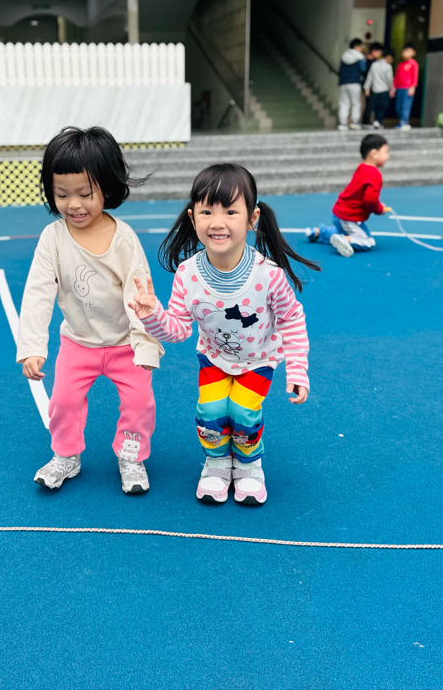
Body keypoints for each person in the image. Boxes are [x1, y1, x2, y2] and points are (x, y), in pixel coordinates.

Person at [128, 164, 319, 506]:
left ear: (252, 218)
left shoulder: (268, 275)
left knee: (243, 411)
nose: (217, 222)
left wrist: (297, 370)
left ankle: (248, 464)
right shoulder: (187, 274)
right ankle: (216, 462)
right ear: (192, 218)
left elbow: (292, 320)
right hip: (214, 358)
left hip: (258, 360)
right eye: (207, 212)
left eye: (231, 211)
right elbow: (178, 330)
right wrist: (152, 315)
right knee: (210, 411)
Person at [17, 126, 163, 494]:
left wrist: (146, 347)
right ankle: (66, 455)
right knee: (63, 402)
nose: (74, 204)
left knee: (139, 403)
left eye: (85, 193)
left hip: (125, 344)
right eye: (62, 194)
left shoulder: (123, 239)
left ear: (107, 188)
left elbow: (140, 296)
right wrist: (32, 347)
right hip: (78, 343)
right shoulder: (52, 238)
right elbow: (38, 292)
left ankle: (131, 456)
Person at [305, 133, 393, 257]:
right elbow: (370, 200)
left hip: (340, 213)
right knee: (368, 241)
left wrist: (378, 205)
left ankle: (319, 232)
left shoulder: (362, 168)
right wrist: (379, 209)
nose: (388, 156)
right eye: (385, 152)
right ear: (374, 153)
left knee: (344, 229)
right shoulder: (374, 174)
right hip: (349, 216)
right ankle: (344, 239)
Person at [338, 38, 367, 130]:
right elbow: (363, 69)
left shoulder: (344, 56)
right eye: (361, 46)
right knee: (356, 103)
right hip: (354, 82)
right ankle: (355, 122)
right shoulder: (359, 57)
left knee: (344, 103)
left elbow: (340, 70)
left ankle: (343, 123)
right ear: (357, 46)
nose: (361, 48)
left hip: (343, 82)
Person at [364, 44, 393, 129]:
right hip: (384, 90)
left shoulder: (374, 64)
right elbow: (389, 79)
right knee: (382, 107)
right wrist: (391, 88)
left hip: (375, 90)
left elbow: (370, 77)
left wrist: (366, 87)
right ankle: (378, 121)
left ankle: (372, 121)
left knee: (374, 106)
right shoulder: (388, 66)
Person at [393, 43, 419, 131]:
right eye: (404, 51)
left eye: (408, 51)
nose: (405, 53)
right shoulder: (400, 64)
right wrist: (394, 87)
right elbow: (396, 77)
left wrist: (412, 87)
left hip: (407, 88)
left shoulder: (413, 64)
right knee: (398, 106)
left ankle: (404, 122)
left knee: (405, 106)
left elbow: (414, 76)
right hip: (399, 88)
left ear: (413, 53)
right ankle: (401, 121)